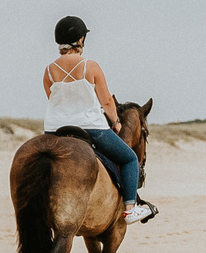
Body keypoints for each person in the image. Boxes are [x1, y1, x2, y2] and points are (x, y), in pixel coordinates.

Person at [42, 16, 153, 224]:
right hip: (90, 128)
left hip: (54, 130)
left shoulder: (48, 71)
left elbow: (53, 100)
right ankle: (131, 209)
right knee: (129, 158)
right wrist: (116, 123)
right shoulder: (90, 67)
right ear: (81, 39)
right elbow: (108, 102)